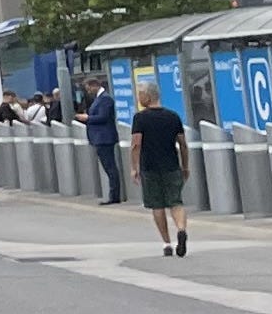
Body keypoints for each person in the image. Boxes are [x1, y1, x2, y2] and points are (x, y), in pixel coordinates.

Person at [133, 83, 191, 257]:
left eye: (140, 94)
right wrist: (185, 166)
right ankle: (181, 229)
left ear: (147, 96)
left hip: (149, 166)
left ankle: (167, 243)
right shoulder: (173, 116)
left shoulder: (140, 118)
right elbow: (183, 144)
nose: (138, 98)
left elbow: (136, 144)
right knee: (176, 202)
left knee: (157, 205)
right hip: (171, 165)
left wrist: (133, 167)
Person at [81, 75, 124, 206]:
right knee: (108, 167)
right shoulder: (100, 99)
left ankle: (114, 196)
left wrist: (87, 118)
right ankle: (113, 194)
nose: (88, 91)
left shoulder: (105, 99)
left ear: (95, 85)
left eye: (89, 88)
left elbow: (103, 117)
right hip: (100, 138)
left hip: (104, 138)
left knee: (110, 167)